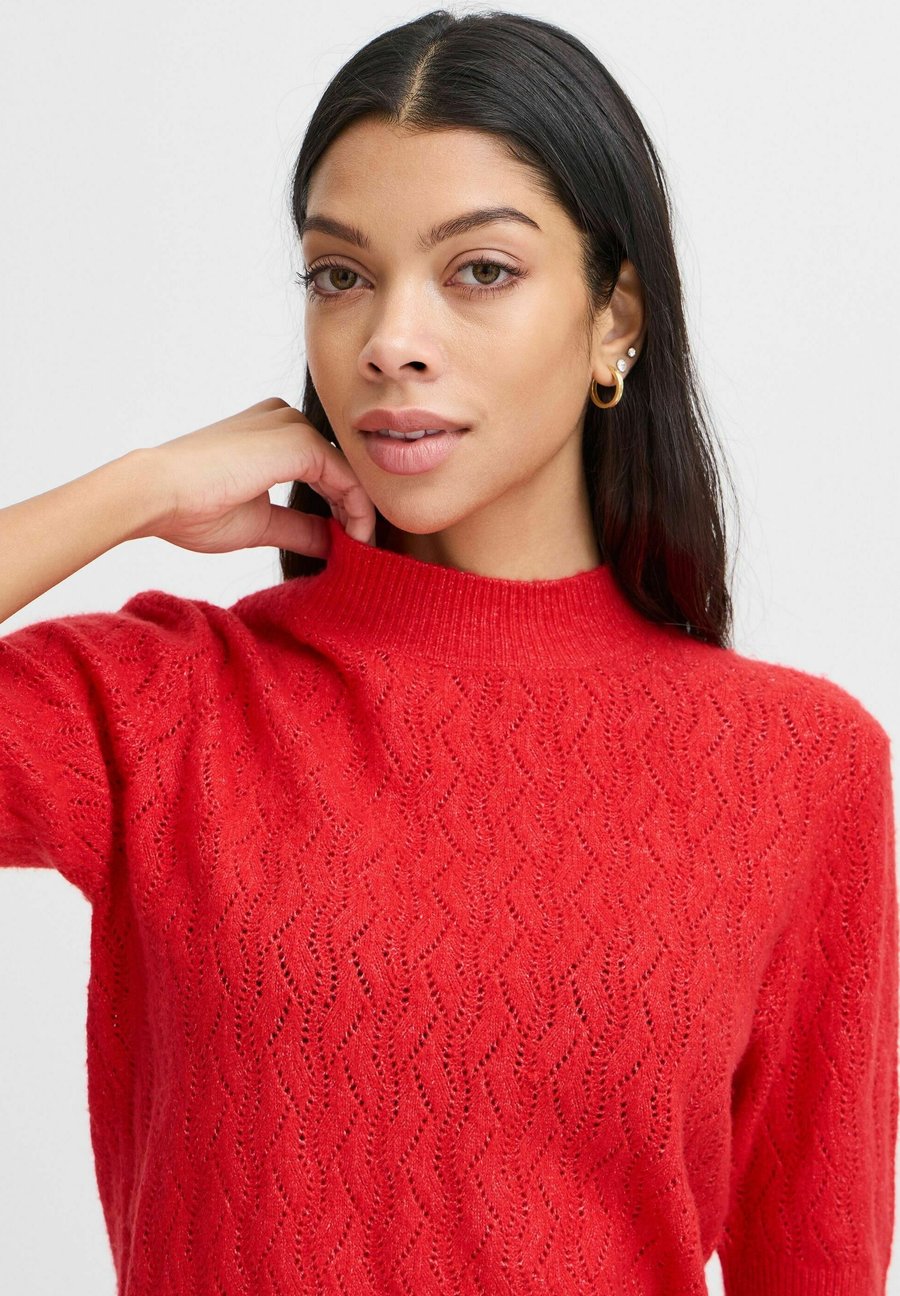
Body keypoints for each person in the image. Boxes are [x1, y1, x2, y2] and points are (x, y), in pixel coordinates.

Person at [1, 8, 896, 1296]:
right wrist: (134, 488)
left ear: (614, 320)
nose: (389, 340)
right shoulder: (169, 705)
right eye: (340, 275)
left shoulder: (800, 767)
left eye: (479, 269)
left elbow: (814, 1263)